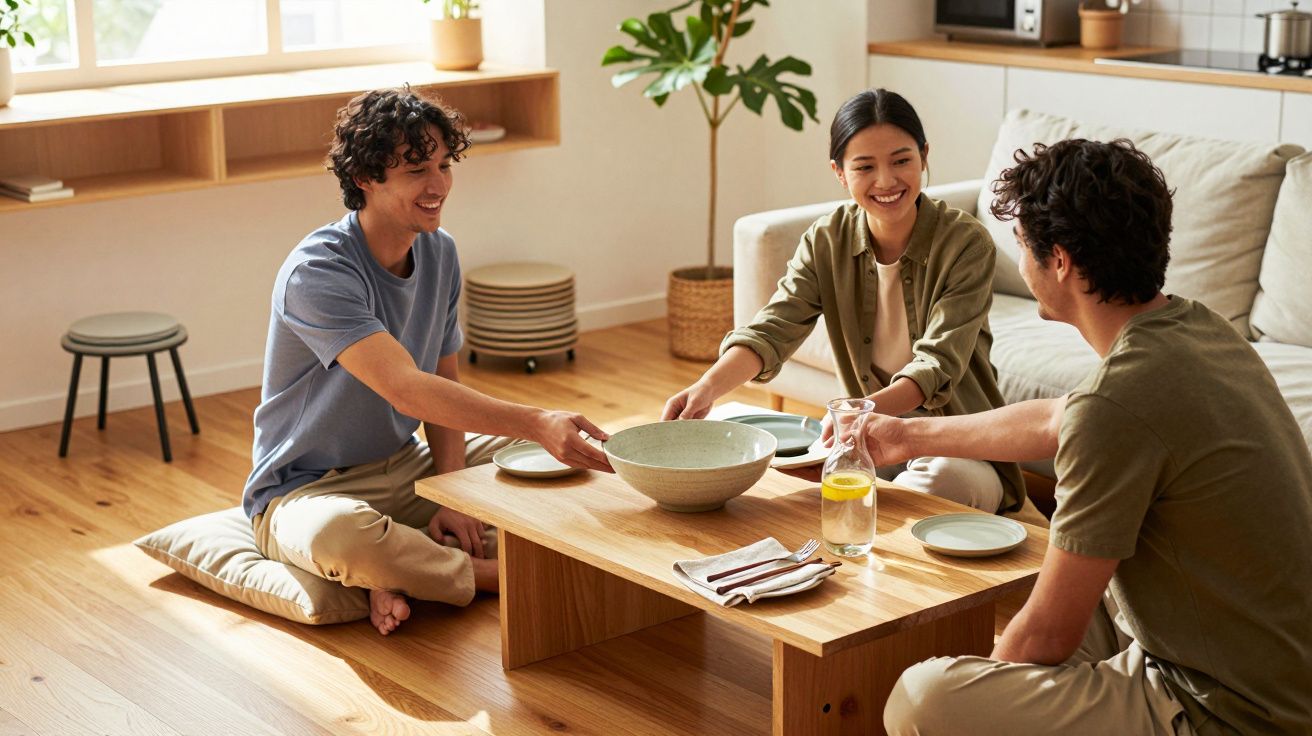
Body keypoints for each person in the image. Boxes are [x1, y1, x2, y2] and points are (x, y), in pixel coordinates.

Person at [875, 138, 1312, 735]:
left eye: (1024, 248)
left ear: (1059, 261)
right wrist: (904, 436)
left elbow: (1048, 635)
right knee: (1061, 599)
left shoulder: (1118, 403)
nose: (1021, 265)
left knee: (922, 699)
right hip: (1265, 664)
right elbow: (1059, 419)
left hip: (1228, 709)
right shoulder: (1195, 327)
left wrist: (989, 692)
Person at [242, 87, 613, 637]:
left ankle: (395, 572)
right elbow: (407, 390)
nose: (437, 185)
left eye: (443, 165)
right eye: (417, 169)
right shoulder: (317, 273)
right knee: (339, 537)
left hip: (405, 465)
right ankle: (490, 575)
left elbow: (444, 384)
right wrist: (536, 420)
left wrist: (453, 490)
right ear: (366, 177)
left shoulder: (440, 252)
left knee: (572, 461)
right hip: (306, 489)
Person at [662, 88, 1023, 513]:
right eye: (865, 167)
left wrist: (856, 415)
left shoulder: (966, 244)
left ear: (924, 156)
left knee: (931, 484)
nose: (886, 181)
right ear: (839, 171)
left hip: (953, 446)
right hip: (864, 443)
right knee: (750, 465)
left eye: (902, 160)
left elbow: (937, 364)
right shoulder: (826, 240)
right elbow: (773, 329)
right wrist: (706, 389)